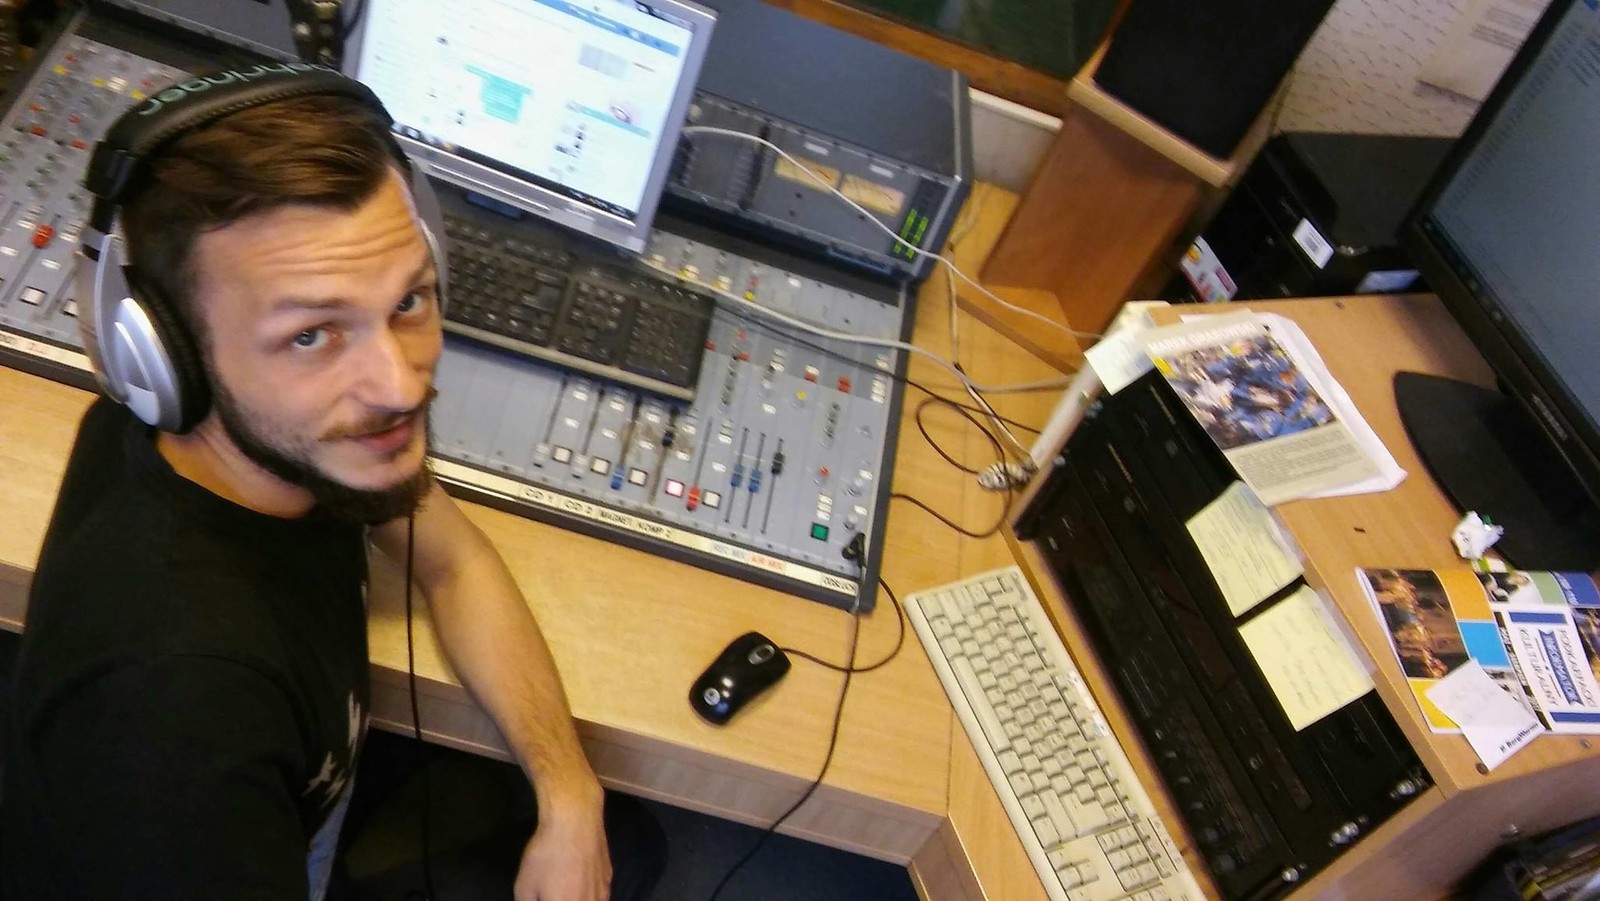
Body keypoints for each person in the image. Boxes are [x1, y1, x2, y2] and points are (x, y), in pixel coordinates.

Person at [2, 69, 652, 900]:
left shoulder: (304, 447)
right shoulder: (178, 721)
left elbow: (454, 560)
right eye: (312, 335)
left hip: (300, 807)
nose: (400, 384)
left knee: (623, 835)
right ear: (166, 357)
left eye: (408, 300)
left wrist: (569, 796)